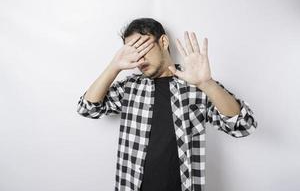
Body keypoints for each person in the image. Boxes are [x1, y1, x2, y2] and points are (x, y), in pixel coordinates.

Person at [76, 17, 258, 191]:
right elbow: (87, 109)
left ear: (163, 42)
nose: (139, 58)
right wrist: (114, 66)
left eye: (142, 47)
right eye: (132, 51)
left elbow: (243, 125)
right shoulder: (129, 87)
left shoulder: (196, 85)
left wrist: (206, 83)